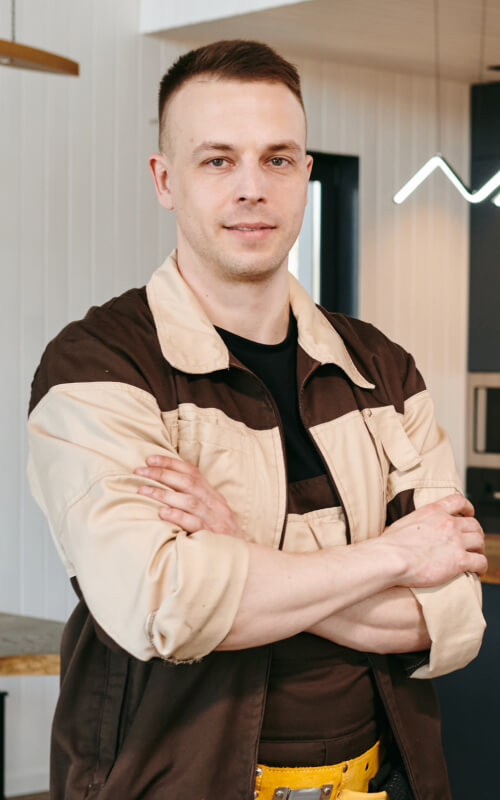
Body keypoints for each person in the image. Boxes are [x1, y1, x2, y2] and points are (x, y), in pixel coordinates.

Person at [27, 39, 486, 800]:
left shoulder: (385, 369)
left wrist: (237, 552)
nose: (252, 188)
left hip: (381, 780)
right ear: (164, 179)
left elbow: (452, 616)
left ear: (306, 174)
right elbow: (165, 606)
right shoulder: (98, 364)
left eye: (277, 159)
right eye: (218, 160)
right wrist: (395, 556)